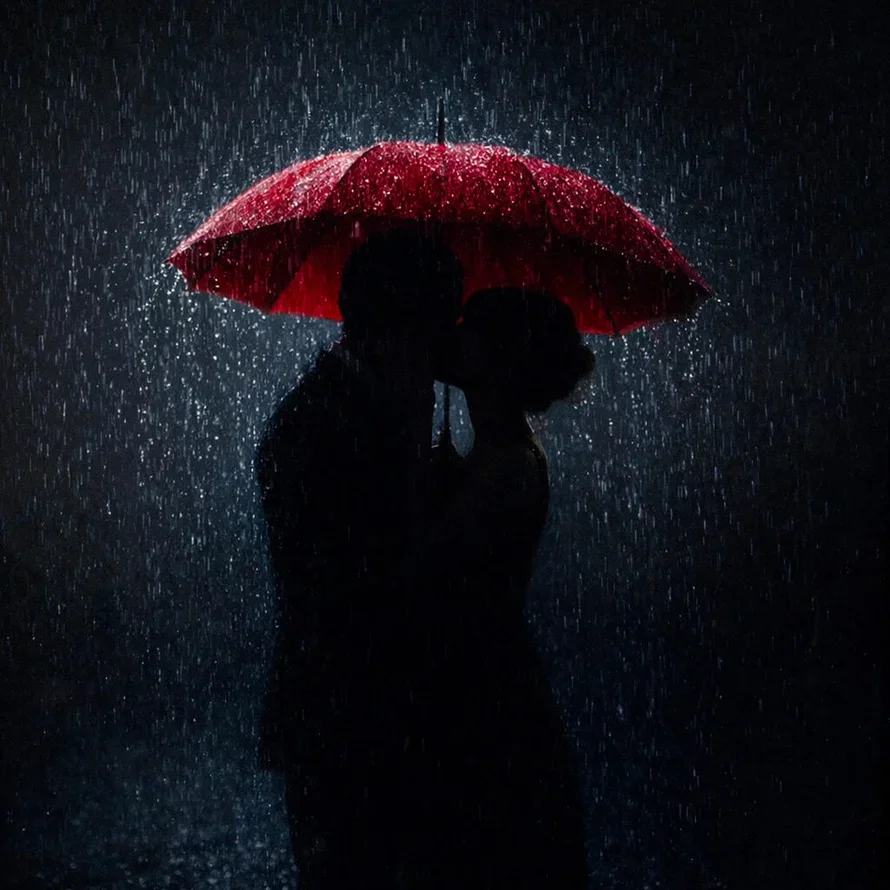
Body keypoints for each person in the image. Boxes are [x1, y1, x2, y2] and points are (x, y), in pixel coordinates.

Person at [255, 227, 463, 888]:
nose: (443, 352)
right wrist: (415, 480)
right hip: (346, 721)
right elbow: (356, 580)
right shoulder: (321, 425)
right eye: (436, 329)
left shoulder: (350, 408)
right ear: (401, 329)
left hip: (361, 717)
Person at [406, 286, 596, 889]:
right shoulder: (496, 455)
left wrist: (421, 485)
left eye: (470, 327)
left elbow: (426, 568)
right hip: (490, 680)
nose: (453, 333)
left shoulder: (507, 466)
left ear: (498, 356)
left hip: (483, 693)